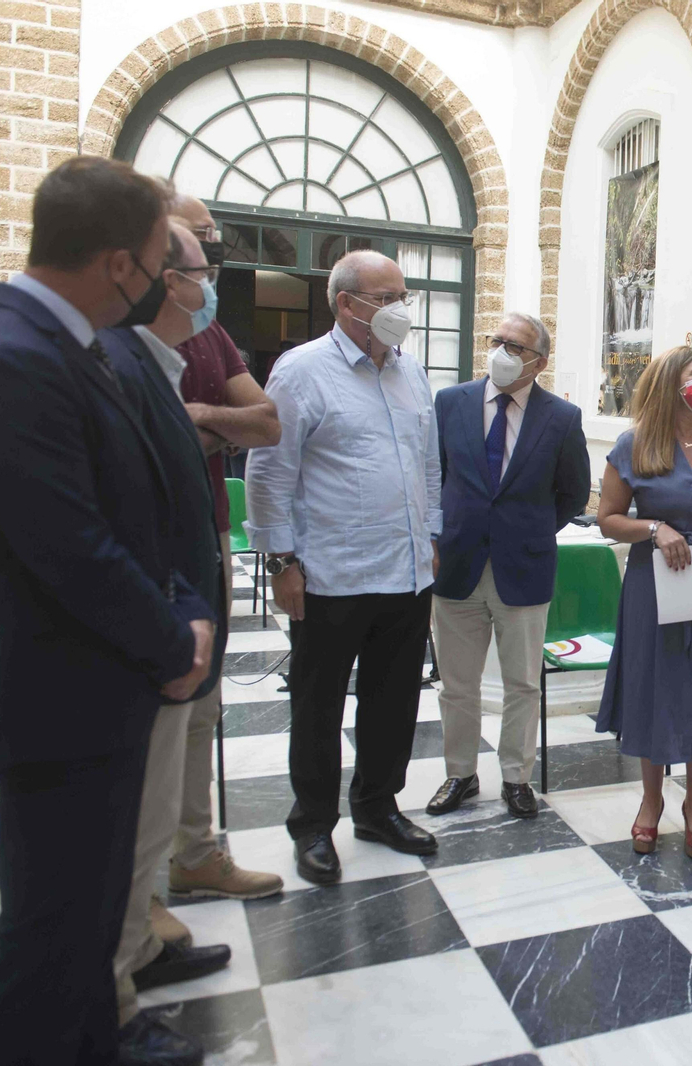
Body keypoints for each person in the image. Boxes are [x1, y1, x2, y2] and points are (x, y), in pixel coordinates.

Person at [0, 157, 215, 1066]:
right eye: (155, 260)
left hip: (95, 688)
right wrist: (175, 638)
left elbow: (132, 507)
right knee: (48, 940)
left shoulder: (70, 343)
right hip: (53, 692)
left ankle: (98, 1041)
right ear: (115, 263)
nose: (165, 282)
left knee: (89, 927)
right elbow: (71, 548)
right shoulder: (9, 358)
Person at [246, 249, 442, 885]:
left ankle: (377, 807)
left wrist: (432, 534)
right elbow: (271, 471)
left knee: (393, 702)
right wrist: (280, 560)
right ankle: (312, 826)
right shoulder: (302, 371)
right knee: (319, 704)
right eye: (383, 299)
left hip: (406, 572)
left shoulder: (413, 375)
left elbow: (429, 465)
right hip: (331, 575)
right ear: (345, 305)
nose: (398, 310)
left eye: (401, 296)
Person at [99, 218, 241, 1066]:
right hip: (144, 639)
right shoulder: (107, 361)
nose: (206, 282)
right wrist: (173, 619)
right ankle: (108, 1011)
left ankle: (136, 960)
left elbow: (256, 427)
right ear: (143, 270)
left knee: (147, 825)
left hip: (176, 618)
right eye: (195, 265)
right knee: (117, 836)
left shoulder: (156, 359)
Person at [165, 194, 284, 906]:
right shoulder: (110, 334)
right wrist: (202, 430)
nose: (212, 258)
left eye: (213, 241)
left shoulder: (210, 338)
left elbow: (266, 423)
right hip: (143, 538)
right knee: (150, 709)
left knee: (203, 704)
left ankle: (194, 850)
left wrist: (202, 418)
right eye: (198, 243)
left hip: (205, 529)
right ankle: (140, 891)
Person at [427, 312, 590, 818]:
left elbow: (573, 493)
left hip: (524, 566)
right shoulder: (451, 402)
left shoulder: (561, 417)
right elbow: (436, 476)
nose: (501, 351)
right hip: (456, 563)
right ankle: (460, 774)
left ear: (539, 361)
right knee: (457, 683)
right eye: (498, 341)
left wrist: (531, 531)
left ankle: (517, 776)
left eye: (515, 346)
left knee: (522, 682)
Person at [596, 346, 692, 861]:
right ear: (670, 385)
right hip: (654, 583)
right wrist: (653, 528)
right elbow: (608, 517)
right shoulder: (634, 444)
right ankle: (650, 800)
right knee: (653, 688)